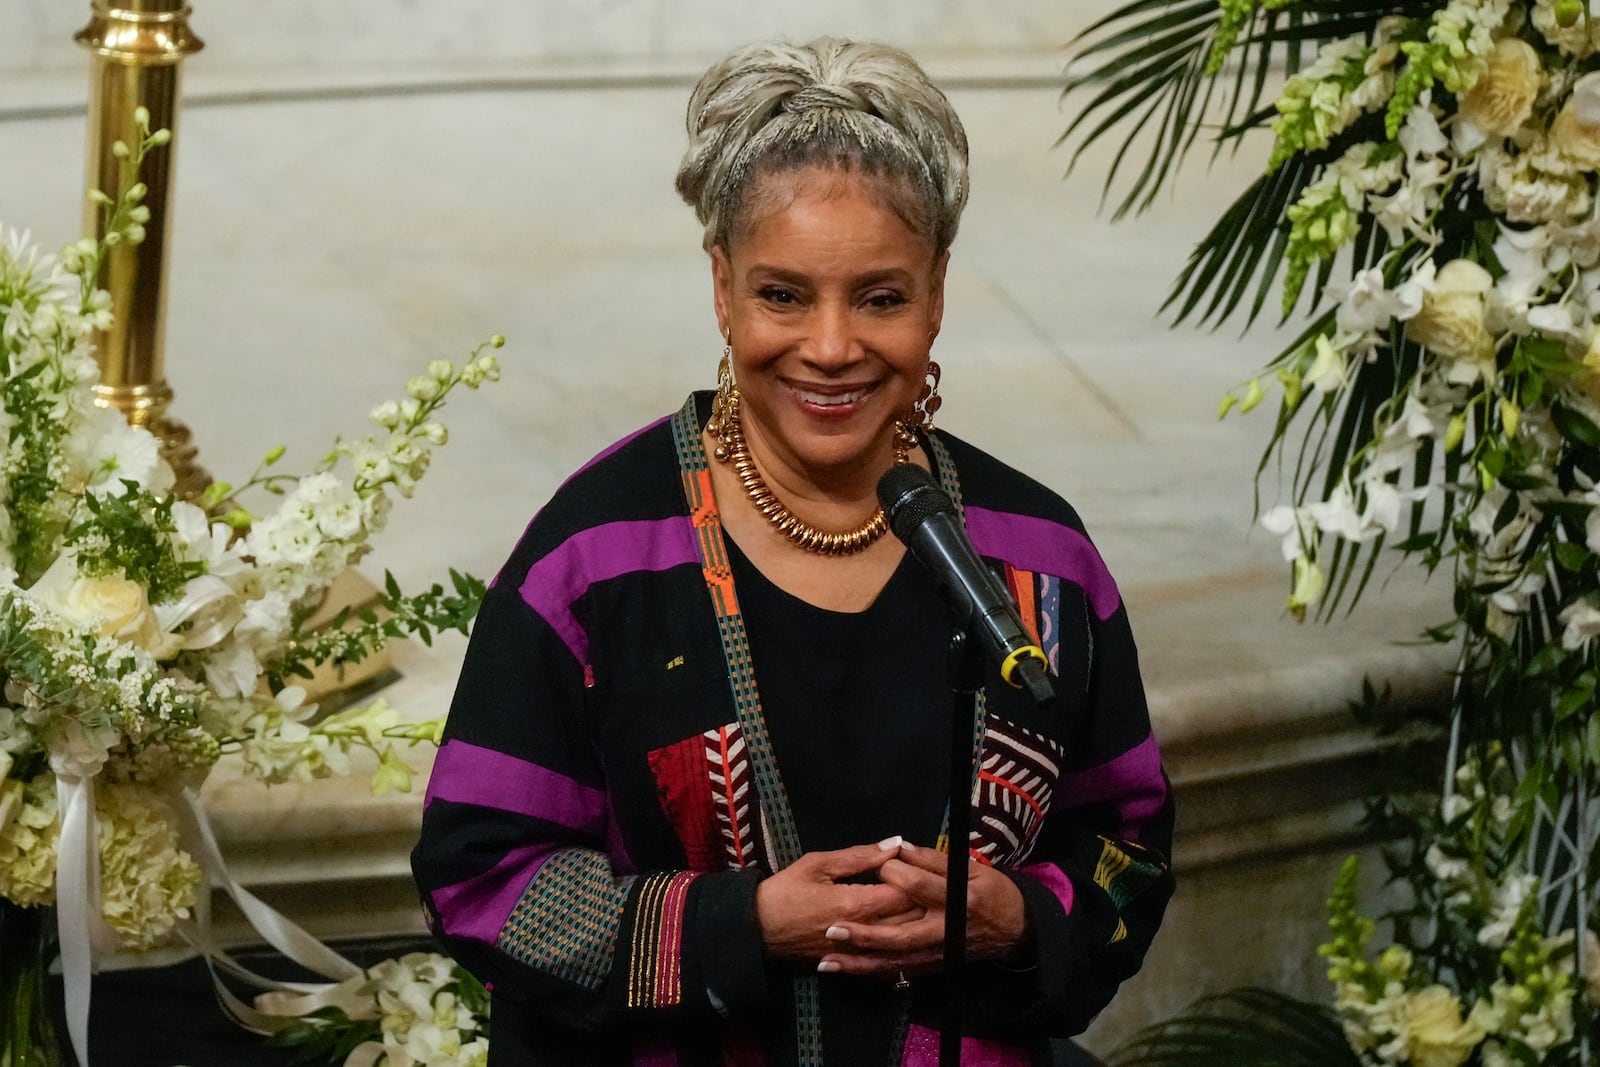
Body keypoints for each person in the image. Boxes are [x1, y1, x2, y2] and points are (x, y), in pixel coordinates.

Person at [411, 36, 1174, 1066]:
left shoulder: (1039, 557)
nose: (829, 346)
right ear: (721, 288)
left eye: (880, 296)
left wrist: (1014, 915)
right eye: (781, 294)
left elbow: (1128, 851)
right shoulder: (596, 558)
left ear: (936, 291)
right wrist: (745, 923)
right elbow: (478, 873)